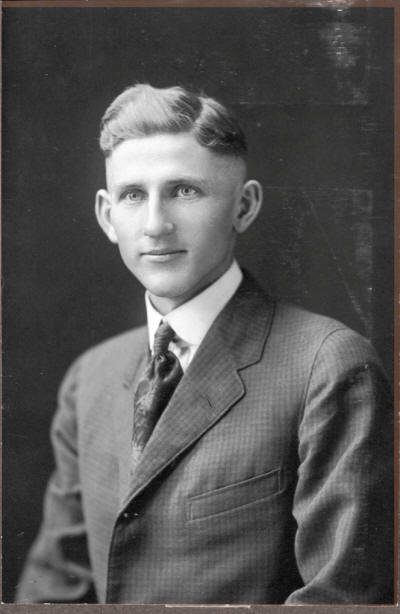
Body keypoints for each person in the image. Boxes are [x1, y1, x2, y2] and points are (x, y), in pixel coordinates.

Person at [16, 84, 393, 604]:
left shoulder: (326, 365)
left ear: (244, 206)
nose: (155, 225)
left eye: (184, 191)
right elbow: (50, 594)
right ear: (107, 216)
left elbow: (342, 601)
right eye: (133, 195)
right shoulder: (91, 376)